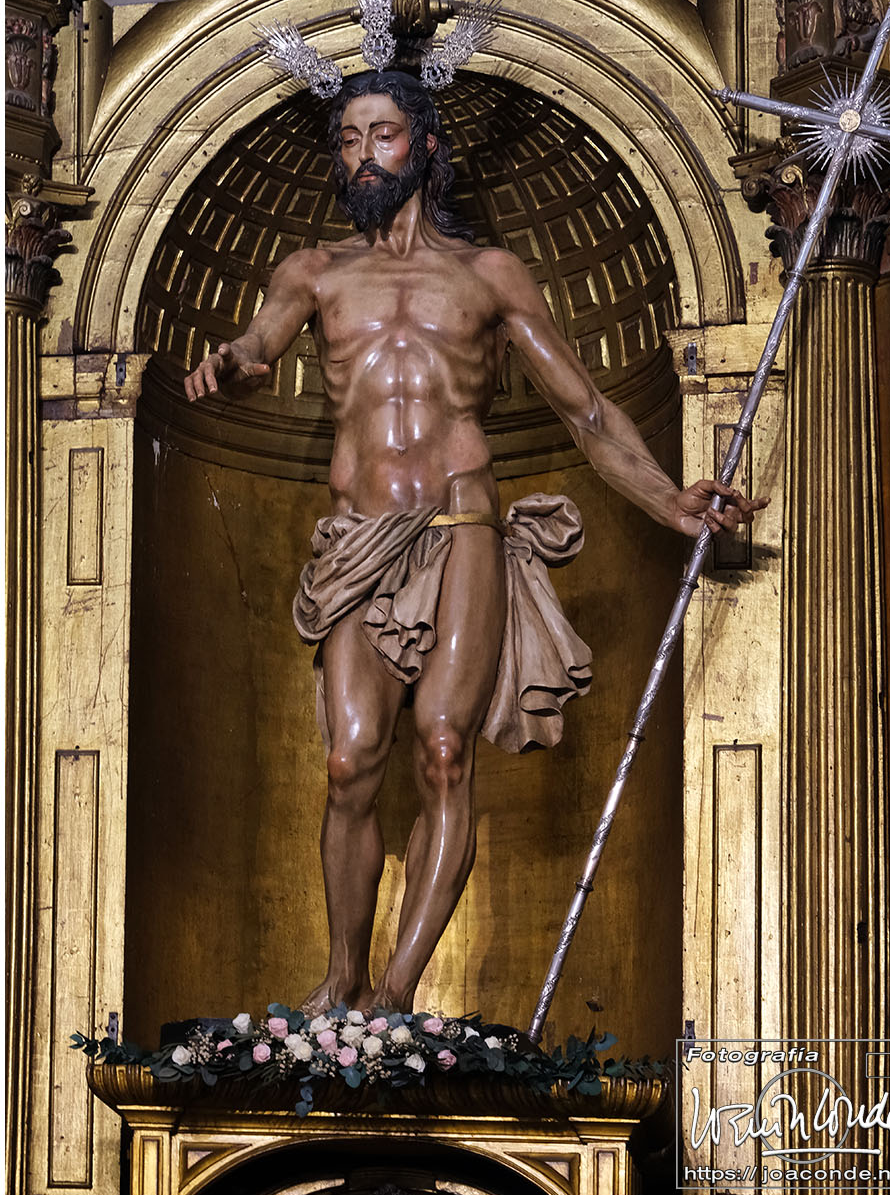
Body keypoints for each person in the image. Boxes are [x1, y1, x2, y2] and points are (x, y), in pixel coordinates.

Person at [184, 70, 768, 1014]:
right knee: (349, 761)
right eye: (347, 139)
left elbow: (584, 409)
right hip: (361, 538)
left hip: (461, 524)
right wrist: (235, 362)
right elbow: (259, 342)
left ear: (422, 145)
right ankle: (341, 976)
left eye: (380, 135)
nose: (361, 156)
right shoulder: (314, 270)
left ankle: (395, 996)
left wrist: (668, 500)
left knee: (445, 748)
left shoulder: (488, 275)